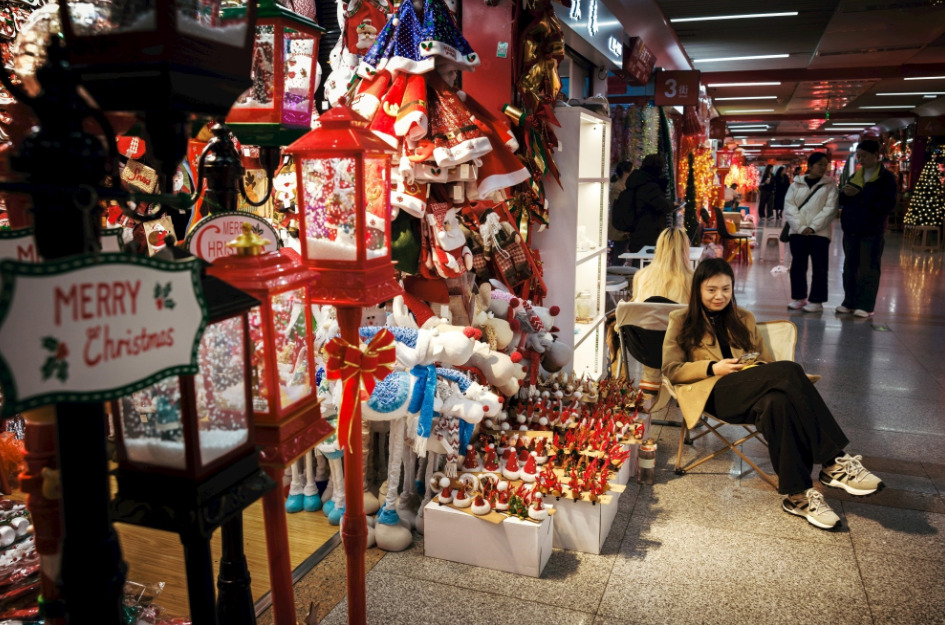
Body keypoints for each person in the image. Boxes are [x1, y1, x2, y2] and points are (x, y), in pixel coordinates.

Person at [662, 258, 883, 530]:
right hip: (714, 394)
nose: (719, 296)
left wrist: (752, 368)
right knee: (790, 371)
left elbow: (764, 361)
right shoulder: (681, 320)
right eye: (711, 290)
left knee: (776, 403)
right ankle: (833, 460)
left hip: (749, 390)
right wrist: (712, 367)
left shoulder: (744, 318)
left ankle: (798, 495)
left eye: (726, 289)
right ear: (697, 289)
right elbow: (671, 369)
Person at [837, 139, 898, 318]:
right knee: (850, 266)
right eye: (858, 156)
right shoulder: (855, 177)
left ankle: (866, 305)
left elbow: (887, 204)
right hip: (851, 229)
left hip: (872, 230)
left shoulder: (886, 179)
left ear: (875, 155)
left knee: (868, 267)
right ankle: (849, 301)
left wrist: (861, 195)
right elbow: (844, 201)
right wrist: (844, 194)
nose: (860, 159)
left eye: (864, 155)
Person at [631, 227, 694, 397]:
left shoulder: (641, 276)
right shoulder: (693, 280)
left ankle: (651, 380)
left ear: (659, 248)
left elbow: (635, 313)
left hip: (646, 348)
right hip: (680, 347)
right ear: (685, 249)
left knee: (650, 325)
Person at [784, 152, 839, 312]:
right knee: (798, 266)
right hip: (798, 233)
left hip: (820, 234)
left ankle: (817, 300)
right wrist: (801, 227)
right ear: (810, 166)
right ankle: (799, 298)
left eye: (825, 164)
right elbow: (789, 207)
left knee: (820, 267)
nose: (823, 167)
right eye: (819, 164)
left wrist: (813, 227)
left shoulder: (830, 186)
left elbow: (830, 209)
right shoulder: (796, 185)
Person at [613, 153, 674, 255]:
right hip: (649, 237)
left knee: (639, 262)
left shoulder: (637, 182)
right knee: (647, 263)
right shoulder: (650, 186)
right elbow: (663, 206)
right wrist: (672, 204)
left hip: (637, 235)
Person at [608, 161, 634, 260]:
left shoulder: (624, 185)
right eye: (632, 171)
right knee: (619, 257)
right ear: (625, 172)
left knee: (621, 255)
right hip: (619, 228)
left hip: (623, 227)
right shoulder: (618, 187)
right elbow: (618, 208)